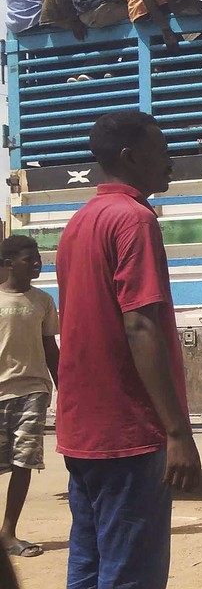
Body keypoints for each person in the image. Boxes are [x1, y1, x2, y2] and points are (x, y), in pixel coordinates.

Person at [56, 110, 200, 589]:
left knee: (90, 563)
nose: (169, 162)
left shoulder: (80, 221)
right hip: (128, 430)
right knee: (130, 573)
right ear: (130, 157)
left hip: (84, 430)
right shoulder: (133, 220)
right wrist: (177, 431)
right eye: (160, 151)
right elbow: (139, 325)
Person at [0, 235, 59, 560]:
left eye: (38, 258)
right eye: (28, 259)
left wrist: (65, 387)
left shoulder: (43, 301)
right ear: (9, 264)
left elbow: (51, 349)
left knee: (24, 462)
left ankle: (9, 532)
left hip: (33, 392)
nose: (37, 263)